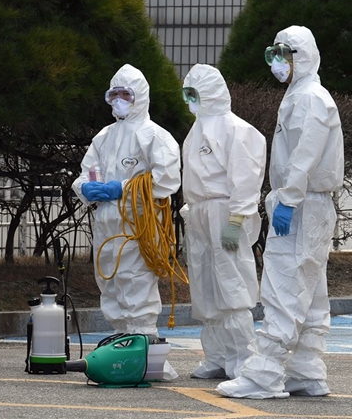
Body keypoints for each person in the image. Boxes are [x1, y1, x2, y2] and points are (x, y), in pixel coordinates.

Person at [217, 25, 344, 399]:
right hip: (307, 203)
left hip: (302, 203)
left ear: (301, 56)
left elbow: (306, 153)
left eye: (283, 56)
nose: (276, 64)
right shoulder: (301, 94)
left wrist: (288, 198)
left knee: (284, 285)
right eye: (272, 56)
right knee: (311, 288)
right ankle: (307, 370)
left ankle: (264, 374)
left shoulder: (310, 99)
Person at [72, 64, 181, 380]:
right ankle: (125, 351)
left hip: (137, 226)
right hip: (105, 226)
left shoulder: (154, 135)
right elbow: (86, 173)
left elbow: (166, 178)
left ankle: (149, 358)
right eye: (114, 94)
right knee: (111, 288)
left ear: (140, 96)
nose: (119, 99)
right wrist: (87, 188)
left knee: (137, 288)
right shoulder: (104, 137)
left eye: (126, 94)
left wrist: (124, 187)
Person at [180, 64, 266, 380]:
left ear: (210, 93)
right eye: (186, 92)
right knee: (205, 288)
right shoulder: (196, 131)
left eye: (193, 93)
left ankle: (244, 358)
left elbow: (245, 177)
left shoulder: (236, 129)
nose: (189, 99)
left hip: (224, 212)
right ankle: (217, 357)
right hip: (201, 213)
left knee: (232, 287)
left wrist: (237, 219)